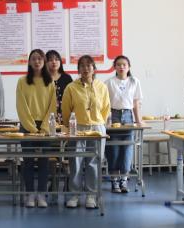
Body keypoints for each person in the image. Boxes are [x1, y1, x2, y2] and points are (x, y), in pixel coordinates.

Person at [61, 55, 110, 209]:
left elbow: (105, 108)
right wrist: (70, 126)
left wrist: (97, 122)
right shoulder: (71, 87)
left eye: (89, 65)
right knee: (75, 162)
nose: (85, 68)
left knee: (93, 162)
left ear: (94, 68)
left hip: (97, 129)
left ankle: (91, 195)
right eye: (82, 65)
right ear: (78, 69)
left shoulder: (101, 86)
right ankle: (74, 194)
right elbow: (66, 110)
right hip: (77, 128)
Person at [15, 49, 57, 207]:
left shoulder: (50, 81)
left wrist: (45, 126)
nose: (37, 61)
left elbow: (52, 106)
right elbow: (21, 106)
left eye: (40, 58)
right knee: (28, 161)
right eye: (33, 59)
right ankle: (30, 194)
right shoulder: (22, 81)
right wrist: (31, 127)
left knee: (44, 161)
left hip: (45, 126)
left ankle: (41, 194)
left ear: (44, 61)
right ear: (29, 62)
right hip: (27, 126)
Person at [105, 55, 144, 194]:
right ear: (114, 67)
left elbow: (135, 104)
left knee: (127, 150)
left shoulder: (134, 81)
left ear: (129, 67)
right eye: (118, 64)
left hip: (128, 116)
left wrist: (138, 121)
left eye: (124, 65)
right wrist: (107, 121)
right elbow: (106, 104)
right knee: (113, 150)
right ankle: (114, 180)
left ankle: (124, 180)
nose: (121, 67)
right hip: (113, 115)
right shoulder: (109, 82)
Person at [45, 50, 73, 114]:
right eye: (50, 60)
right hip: (46, 114)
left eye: (56, 59)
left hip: (64, 113)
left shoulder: (67, 78)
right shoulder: (42, 79)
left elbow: (72, 97)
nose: (54, 62)